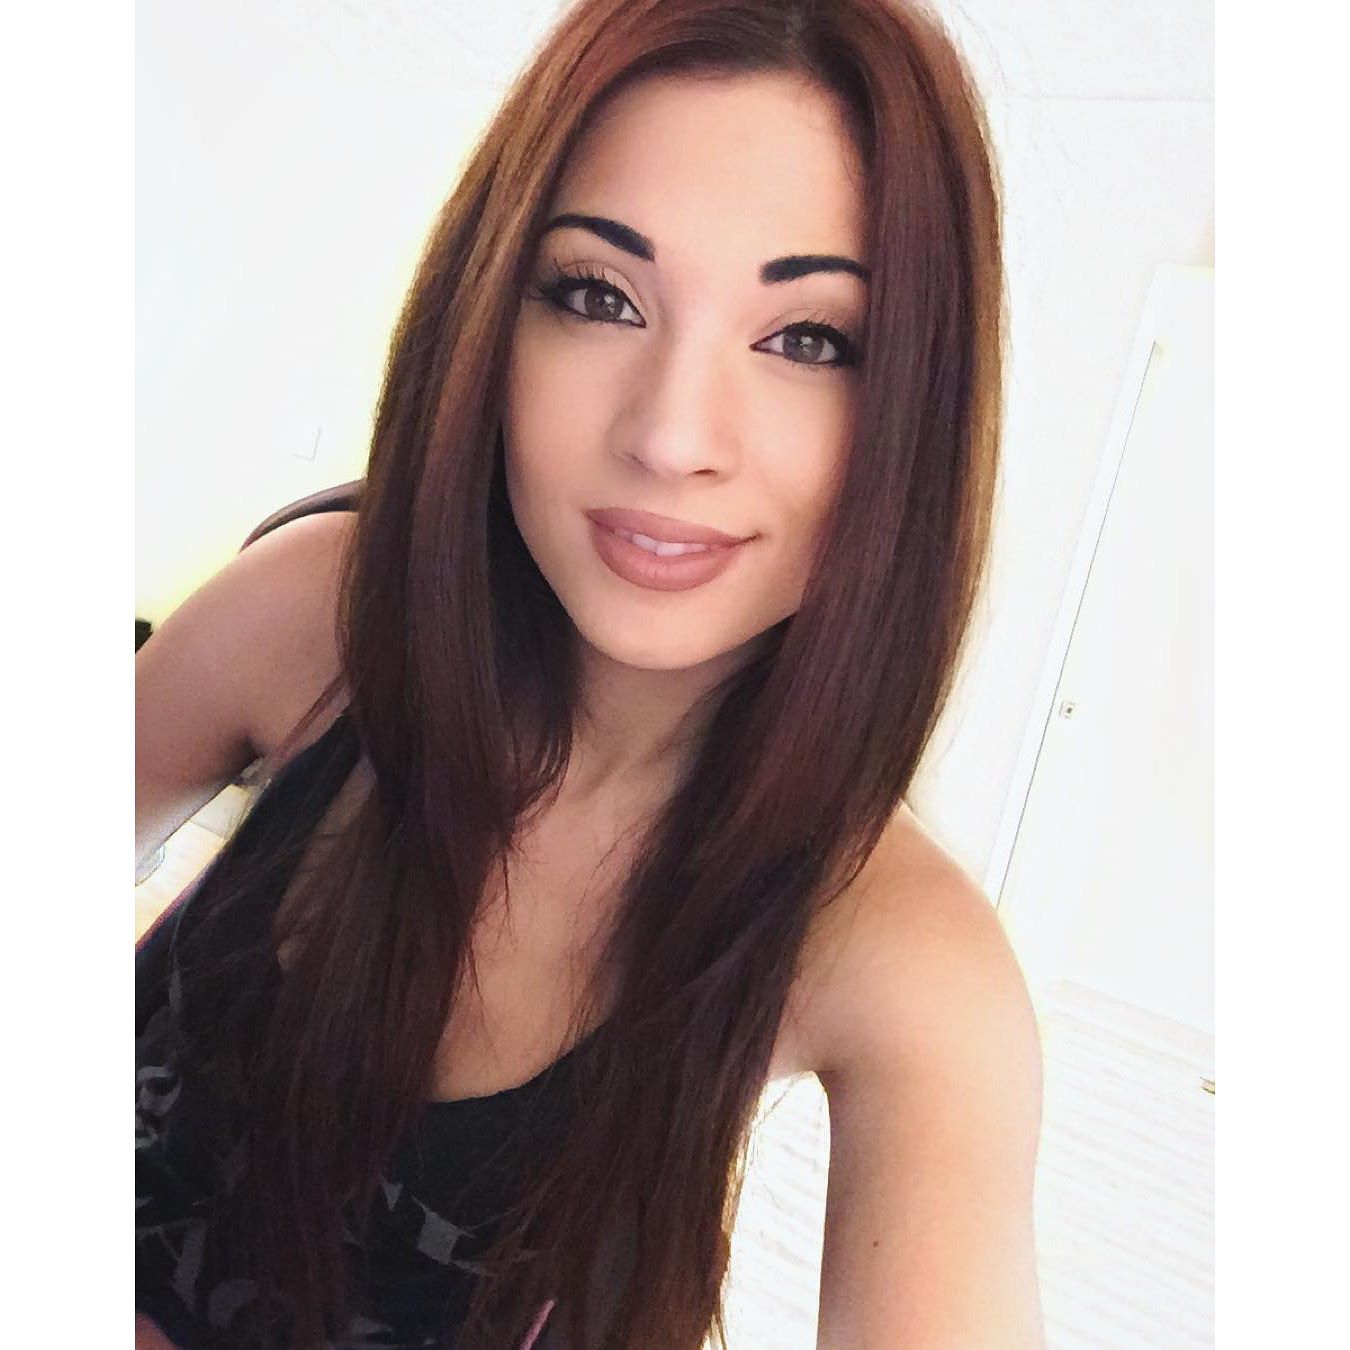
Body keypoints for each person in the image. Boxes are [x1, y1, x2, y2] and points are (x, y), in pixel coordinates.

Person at [135, 0, 1045, 1346]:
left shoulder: (901, 957)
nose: (672, 437)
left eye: (807, 338)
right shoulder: (319, 617)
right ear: (491, 317)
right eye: (598, 296)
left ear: (916, 400)